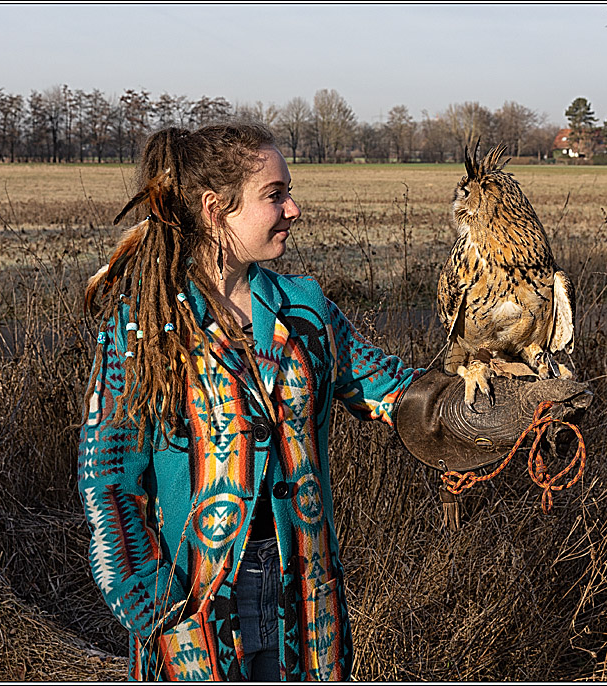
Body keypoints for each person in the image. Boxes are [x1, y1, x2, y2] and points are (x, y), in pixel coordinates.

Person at [78, 123, 575, 681]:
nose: (294, 207)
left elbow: (399, 392)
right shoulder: (145, 324)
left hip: (305, 595)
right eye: (275, 195)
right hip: (196, 602)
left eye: (288, 190)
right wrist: (149, 600)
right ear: (217, 209)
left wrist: (514, 410)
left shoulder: (306, 311)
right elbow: (108, 476)